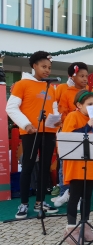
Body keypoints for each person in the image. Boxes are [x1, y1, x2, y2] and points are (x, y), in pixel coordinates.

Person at [6, 50, 60, 219]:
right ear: (34, 66)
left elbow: (54, 109)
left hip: (49, 133)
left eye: (49, 67)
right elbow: (11, 108)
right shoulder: (22, 84)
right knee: (28, 167)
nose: (47, 70)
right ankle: (23, 204)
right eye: (43, 66)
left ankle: (40, 201)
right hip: (31, 133)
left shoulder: (50, 87)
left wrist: (57, 121)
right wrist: (26, 124)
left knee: (44, 168)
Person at [61, 90, 93, 245]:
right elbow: (68, 137)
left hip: (92, 164)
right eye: (89, 105)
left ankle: (85, 226)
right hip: (77, 164)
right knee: (75, 196)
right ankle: (71, 229)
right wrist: (87, 126)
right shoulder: (72, 116)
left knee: (87, 196)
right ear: (79, 105)